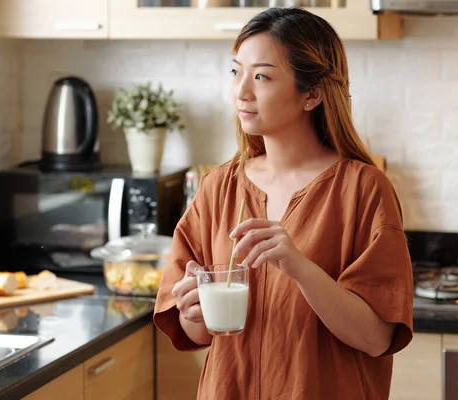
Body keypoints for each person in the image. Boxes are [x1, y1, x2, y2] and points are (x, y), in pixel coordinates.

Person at [153, 7, 414, 400]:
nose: (241, 91)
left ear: (312, 94)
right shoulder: (216, 188)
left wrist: (299, 267)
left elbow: (377, 338)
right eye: (236, 71)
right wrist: (193, 312)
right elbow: (199, 334)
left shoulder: (364, 189)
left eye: (261, 76)